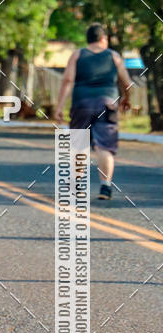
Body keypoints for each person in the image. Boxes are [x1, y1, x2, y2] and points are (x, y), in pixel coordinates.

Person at [55, 22, 132, 201]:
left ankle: (76, 185)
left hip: (81, 103)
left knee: (79, 144)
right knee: (105, 146)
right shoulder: (114, 56)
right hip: (107, 104)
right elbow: (127, 83)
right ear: (103, 39)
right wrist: (126, 99)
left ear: (88, 39)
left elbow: (67, 80)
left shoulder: (77, 55)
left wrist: (59, 106)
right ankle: (105, 187)